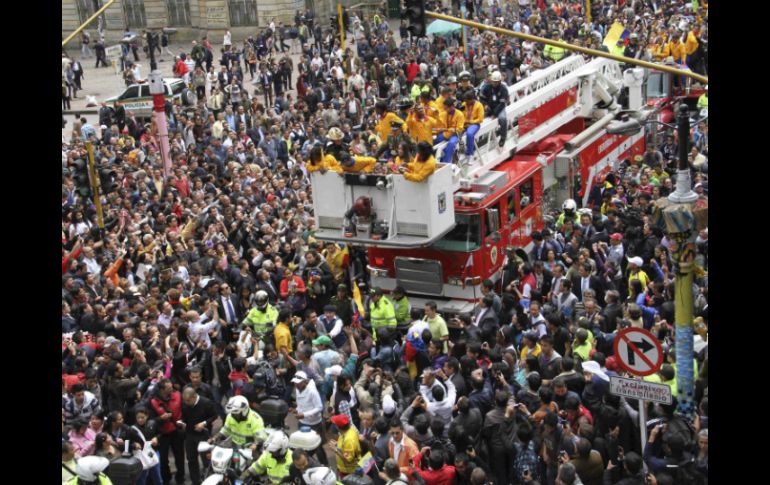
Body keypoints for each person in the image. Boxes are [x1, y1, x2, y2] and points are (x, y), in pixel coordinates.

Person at [150, 379, 185, 485]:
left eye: (172, 387)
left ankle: (180, 478)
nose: (172, 389)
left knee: (179, 456)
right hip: (163, 434)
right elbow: (151, 419)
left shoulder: (178, 395)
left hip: (176, 431)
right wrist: (161, 418)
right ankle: (166, 478)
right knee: (164, 459)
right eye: (169, 388)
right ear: (162, 390)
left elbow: (184, 410)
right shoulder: (153, 402)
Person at [433, 98, 465, 164]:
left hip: (455, 134)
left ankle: (446, 163)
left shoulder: (460, 114)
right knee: (433, 141)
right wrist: (436, 116)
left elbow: (459, 129)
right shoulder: (444, 113)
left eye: (446, 108)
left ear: (452, 107)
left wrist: (448, 129)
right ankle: (437, 159)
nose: (445, 110)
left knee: (451, 144)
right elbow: (439, 125)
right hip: (446, 133)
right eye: (444, 108)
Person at [330, 413, 361, 478]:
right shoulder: (350, 429)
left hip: (348, 471)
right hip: (343, 468)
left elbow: (348, 460)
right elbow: (345, 444)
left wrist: (335, 449)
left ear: (338, 427)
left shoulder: (348, 440)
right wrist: (338, 444)